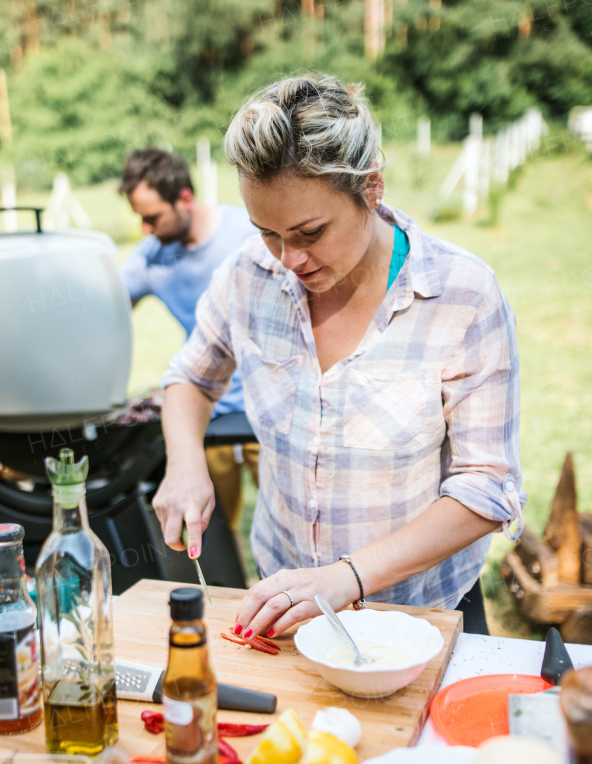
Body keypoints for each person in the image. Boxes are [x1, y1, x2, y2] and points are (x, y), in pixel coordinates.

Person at [151, 75, 525, 637]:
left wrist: (347, 577)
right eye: (269, 233)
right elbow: (191, 379)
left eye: (309, 232)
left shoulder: (462, 296)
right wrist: (184, 463)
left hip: (423, 614)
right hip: (285, 608)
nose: (288, 259)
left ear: (371, 188)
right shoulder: (247, 276)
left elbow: (485, 487)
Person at [118, 148, 261, 536]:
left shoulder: (248, 235)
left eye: (152, 217)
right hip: (207, 415)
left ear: (184, 198)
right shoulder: (152, 259)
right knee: (212, 536)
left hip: (267, 412)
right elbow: (108, 309)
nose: (145, 229)